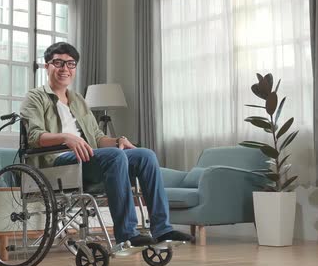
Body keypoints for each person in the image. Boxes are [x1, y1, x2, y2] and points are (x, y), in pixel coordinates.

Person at [20, 42, 194, 247]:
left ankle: (162, 229)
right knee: (114, 155)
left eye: (70, 64)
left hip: (87, 158)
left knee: (145, 155)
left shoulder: (78, 100)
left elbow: (97, 137)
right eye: (58, 63)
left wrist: (118, 140)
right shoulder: (35, 97)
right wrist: (67, 138)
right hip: (57, 162)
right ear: (47, 66)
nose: (64, 68)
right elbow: (35, 136)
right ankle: (127, 233)